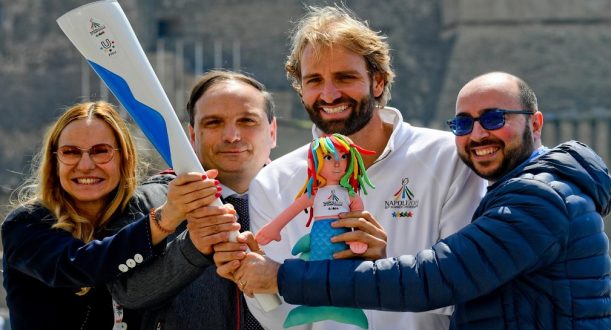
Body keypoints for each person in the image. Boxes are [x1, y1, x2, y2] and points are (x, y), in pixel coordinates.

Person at [231, 72, 611, 329]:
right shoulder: (527, 190)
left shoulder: (538, 199)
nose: (478, 134)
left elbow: (436, 278)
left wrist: (282, 276)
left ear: (535, 123)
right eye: (463, 124)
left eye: (495, 118)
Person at [215, 5, 486, 330]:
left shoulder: (448, 159)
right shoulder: (273, 182)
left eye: (345, 77)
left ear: (377, 81)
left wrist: (384, 269)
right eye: (314, 80)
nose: (329, 94)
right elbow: (282, 320)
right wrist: (252, 277)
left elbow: (469, 288)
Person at [1, 101, 220, 329]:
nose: (85, 165)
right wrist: (161, 222)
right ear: (55, 162)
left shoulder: (137, 215)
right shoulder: (25, 224)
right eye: (71, 152)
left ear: (124, 159)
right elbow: (79, 265)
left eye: (101, 151)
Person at [108, 70, 277, 329]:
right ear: (193, 135)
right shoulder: (148, 202)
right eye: (213, 123)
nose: (232, 136)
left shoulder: (307, 200)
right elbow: (127, 292)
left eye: (247, 120)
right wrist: (191, 250)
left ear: (272, 132)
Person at [255, 134, 374, 328]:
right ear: (316, 161)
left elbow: (360, 220)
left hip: (342, 242)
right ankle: (315, 304)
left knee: (341, 273)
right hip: (316, 239)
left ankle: (340, 304)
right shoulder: (315, 194)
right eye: (329, 157)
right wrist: (273, 228)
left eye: (343, 157)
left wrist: (357, 239)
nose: (337, 163)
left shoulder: (351, 195)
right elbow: (291, 211)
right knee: (311, 268)